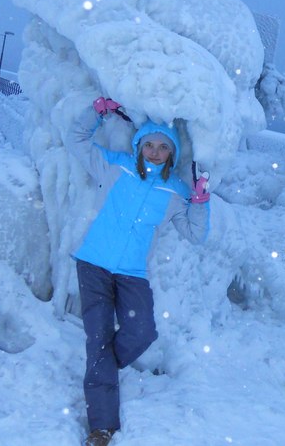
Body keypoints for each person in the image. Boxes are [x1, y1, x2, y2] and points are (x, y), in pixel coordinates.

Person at [66, 96, 211, 446]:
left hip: (132, 272)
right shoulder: (116, 168)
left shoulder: (175, 190)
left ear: (172, 153)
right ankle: (101, 428)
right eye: (149, 144)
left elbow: (195, 234)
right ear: (139, 145)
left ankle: (100, 368)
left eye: (164, 147)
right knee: (98, 338)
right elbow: (76, 139)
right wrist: (98, 111)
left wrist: (202, 202)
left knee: (143, 331)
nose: (156, 152)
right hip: (93, 264)